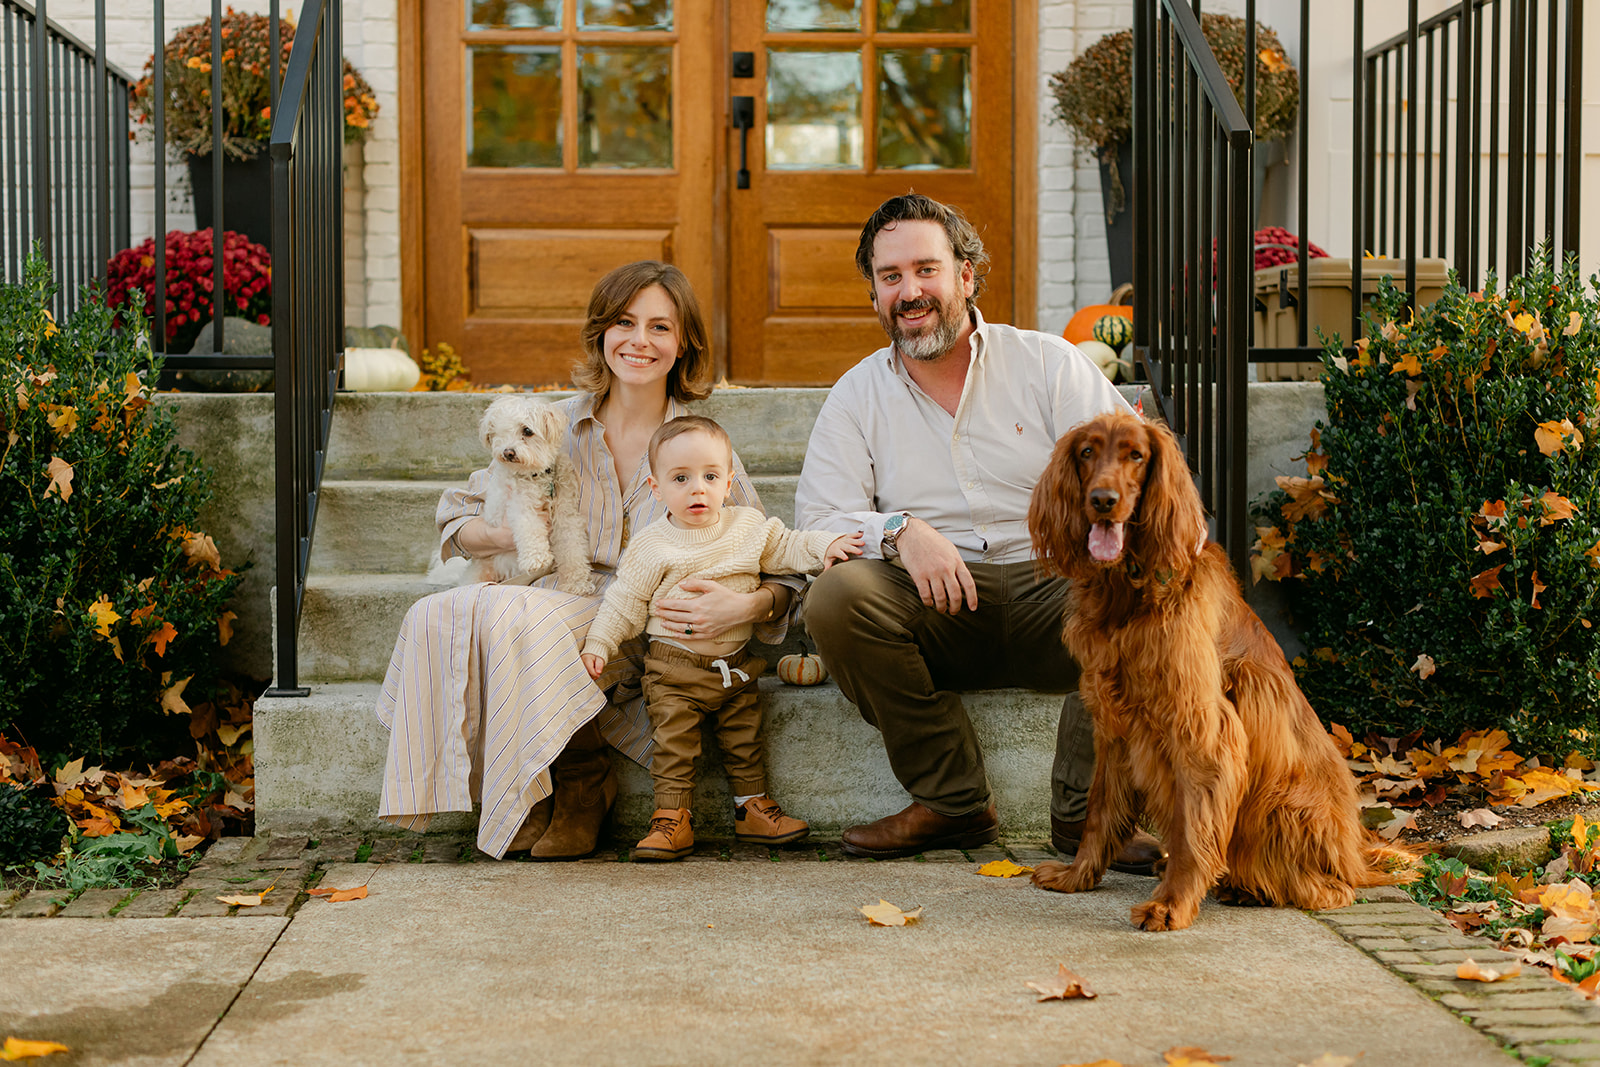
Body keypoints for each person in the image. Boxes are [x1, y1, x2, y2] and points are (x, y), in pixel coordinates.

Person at [375, 262, 803, 860]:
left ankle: (580, 785)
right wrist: (507, 535)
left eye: (661, 327)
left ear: (683, 344)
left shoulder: (698, 444)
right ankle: (533, 786)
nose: (640, 341)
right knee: (447, 610)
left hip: (635, 627)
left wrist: (749, 603)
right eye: (625, 322)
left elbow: (776, 559)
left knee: (521, 616)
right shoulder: (553, 424)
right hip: (554, 601)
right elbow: (457, 519)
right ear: (602, 332)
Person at [794, 193, 1164, 870]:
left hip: (1059, 596)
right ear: (874, 293)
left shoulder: (1047, 364)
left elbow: (1131, 471)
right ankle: (952, 801)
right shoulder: (855, 396)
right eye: (891, 276)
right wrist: (899, 529)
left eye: (926, 270)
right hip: (936, 611)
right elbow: (817, 523)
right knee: (836, 596)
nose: (911, 292)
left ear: (966, 275)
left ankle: (1091, 815)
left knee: (1142, 580)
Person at [580, 415, 862, 860]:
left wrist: (825, 546)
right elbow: (624, 601)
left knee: (745, 743)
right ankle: (672, 818)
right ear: (656, 489)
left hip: (736, 668)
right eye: (681, 478)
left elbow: (789, 545)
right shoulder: (653, 545)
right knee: (675, 747)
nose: (698, 488)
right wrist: (598, 645)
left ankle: (752, 808)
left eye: (710, 476)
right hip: (673, 671)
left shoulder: (748, 527)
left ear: (729, 481)